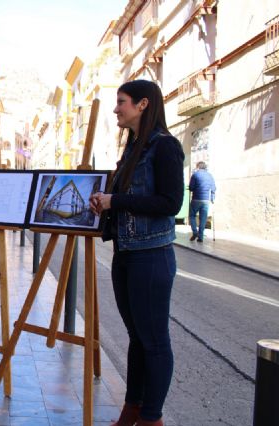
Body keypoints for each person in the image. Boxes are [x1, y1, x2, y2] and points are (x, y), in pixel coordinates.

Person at [89, 80, 184, 426]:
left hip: (151, 258)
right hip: (126, 254)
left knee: (155, 341)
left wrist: (117, 200)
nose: (117, 108)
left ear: (143, 104)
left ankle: (151, 418)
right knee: (136, 338)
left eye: (122, 102)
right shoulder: (132, 149)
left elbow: (170, 204)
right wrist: (105, 205)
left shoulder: (165, 147)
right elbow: (128, 203)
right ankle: (132, 409)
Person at [188, 161, 216, 242]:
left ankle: (195, 232)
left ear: (198, 167)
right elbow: (213, 188)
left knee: (192, 215)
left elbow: (191, 188)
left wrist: (192, 188)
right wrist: (212, 198)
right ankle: (200, 237)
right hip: (206, 200)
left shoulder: (195, 175)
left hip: (196, 199)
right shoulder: (210, 175)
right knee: (203, 218)